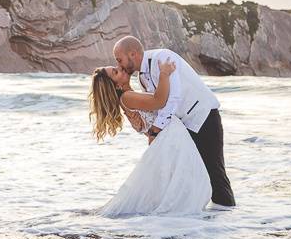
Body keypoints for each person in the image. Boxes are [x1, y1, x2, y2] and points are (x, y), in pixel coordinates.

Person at [113, 36, 236, 206]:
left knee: (215, 174)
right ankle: (203, 224)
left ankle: (229, 222)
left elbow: (173, 97)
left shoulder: (163, 58)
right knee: (191, 176)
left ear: (132, 54)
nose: (119, 65)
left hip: (204, 116)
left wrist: (156, 130)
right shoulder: (142, 77)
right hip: (182, 127)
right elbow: (156, 105)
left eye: (120, 60)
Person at [89, 60, 211, 216]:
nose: (120, 68)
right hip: (171, 138)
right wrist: (164, 74)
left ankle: (183, 220)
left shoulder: (129, 97)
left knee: (185, 181)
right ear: (116, 85)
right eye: (115, 72)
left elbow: (147, 122)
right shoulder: (127, 97)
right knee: (191, 180)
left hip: (170, 138)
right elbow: (159, 101)